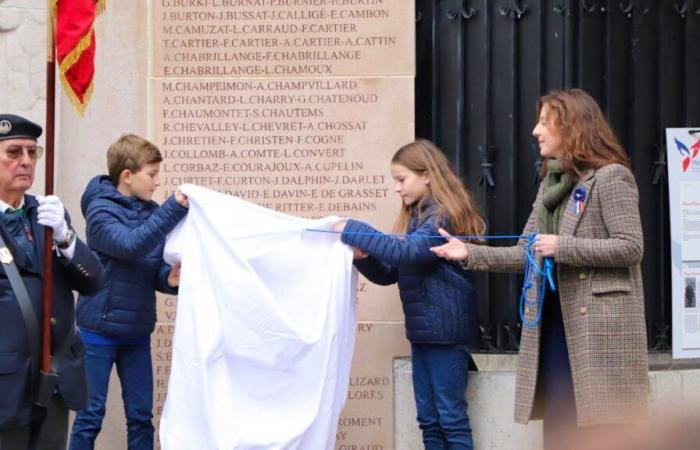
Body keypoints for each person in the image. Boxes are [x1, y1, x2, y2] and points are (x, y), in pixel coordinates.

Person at [431, 89, 648, 448]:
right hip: (553, 326)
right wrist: (466, 252)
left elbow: (631, 247)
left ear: (572, 127)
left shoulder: (611, 178)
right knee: (560, 430)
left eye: (544, 122)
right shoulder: (553, 183)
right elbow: (525, 254)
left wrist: (562, 247)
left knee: (599, 435)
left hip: (596, 331)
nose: (535, 131)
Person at [333, 139, 484, 450]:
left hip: (446, 334)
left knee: (450, 420)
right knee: (429, 420)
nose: (397, 189)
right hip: (424, 334)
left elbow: (410, 251)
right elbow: (391, 271)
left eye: (402, 179)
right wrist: (364, 258)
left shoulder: (443, 215)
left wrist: (353, 227)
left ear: (426, 174)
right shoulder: (419, 217)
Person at [68, 134, 189, 450]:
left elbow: (150, 267)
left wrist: (170, 279)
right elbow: (128, 245)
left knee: (140, 417)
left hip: (136, 331)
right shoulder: (100, 211)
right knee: (90, 416)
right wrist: (174, 209)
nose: (157, 182)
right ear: (127, 175)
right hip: (99, 332)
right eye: (151, 174)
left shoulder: (151, 212)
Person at [0, 114, 103, 450]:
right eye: (14, 152)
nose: (26, 162)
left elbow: (93, 283)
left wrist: (66, 237)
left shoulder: (46, 214)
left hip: (53, 380)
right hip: (5, 389)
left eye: (32, 152)